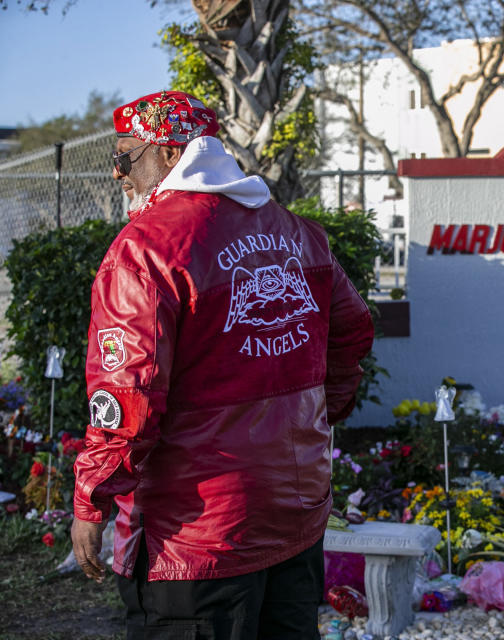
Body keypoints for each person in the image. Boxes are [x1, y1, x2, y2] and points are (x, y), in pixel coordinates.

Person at [70, 90, 374, 639]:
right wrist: (312, 419)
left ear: (168, 154)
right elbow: (353, 336)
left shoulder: (147, 249)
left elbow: (128, 398)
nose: (119, 174)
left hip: (195, 537)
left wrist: (91, 497)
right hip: (296, 518)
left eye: (124, 156)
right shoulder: (299, 234)